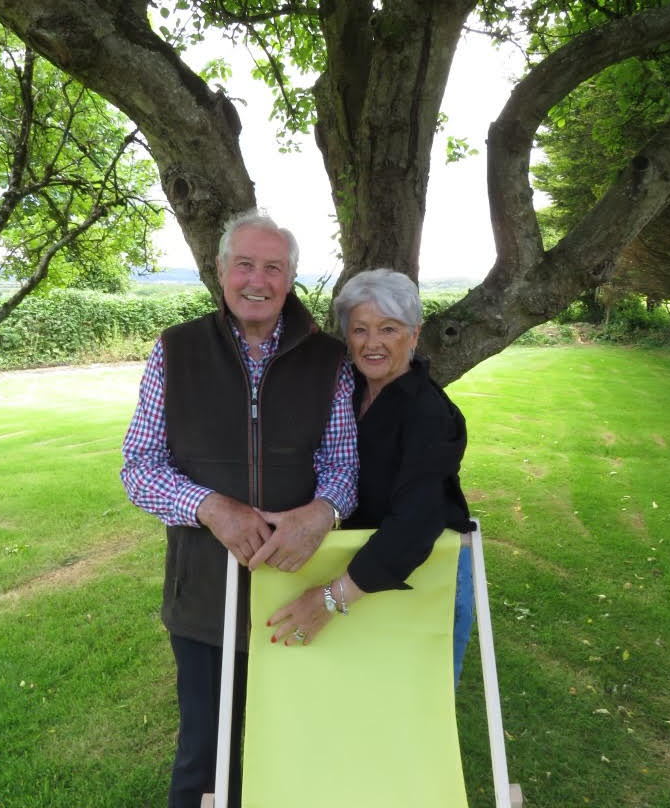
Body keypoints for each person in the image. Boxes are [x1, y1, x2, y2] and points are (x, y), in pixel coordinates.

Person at [121, 209, 359, 808]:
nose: (258, 279)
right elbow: (139, 467)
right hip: (202, 597)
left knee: (299, 749)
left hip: (299, 595)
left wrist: (324, 510)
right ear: (221, 271)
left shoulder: (330, 360)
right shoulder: (175, 352)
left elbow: (344, 466)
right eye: (245, 264)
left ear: (291, 278)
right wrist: (208, 506)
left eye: (273, 267)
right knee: (206, 755)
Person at [264, 268, 474, 688]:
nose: (372, 343)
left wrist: (329, 599)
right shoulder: (348, 391)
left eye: (389, 329)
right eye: (360, 330)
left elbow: (416, 524)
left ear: (414, 335)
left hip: (420, 571)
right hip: (359, 568)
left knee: (410, 703)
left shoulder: (429, 414)